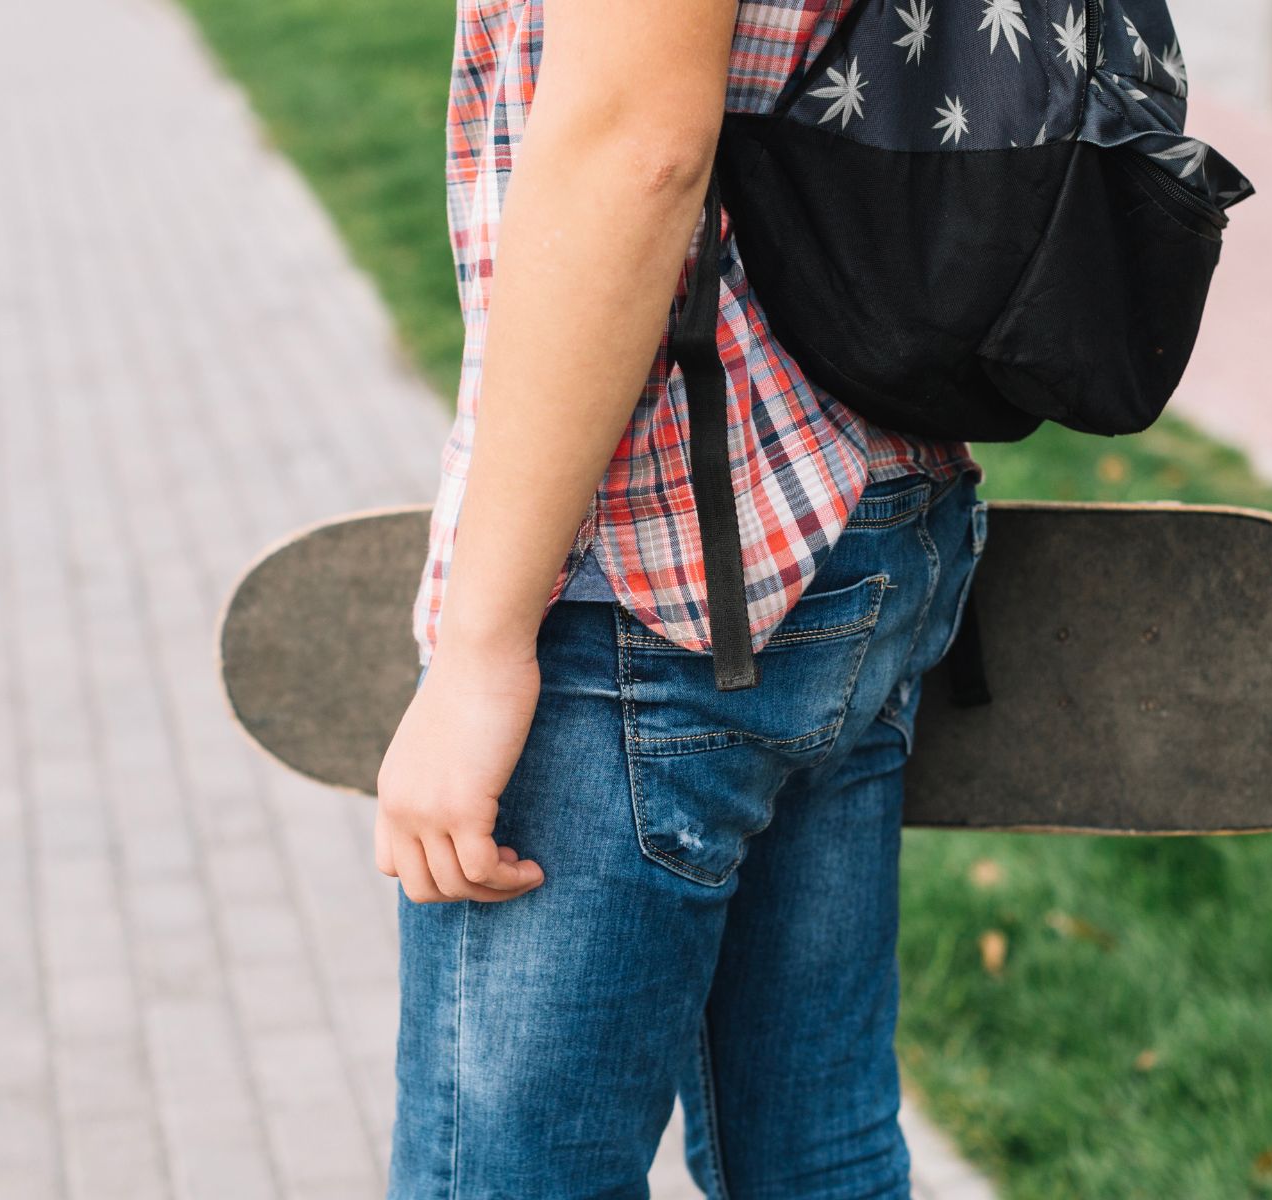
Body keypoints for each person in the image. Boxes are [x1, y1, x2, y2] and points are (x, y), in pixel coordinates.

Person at [373, 0, 988, 1193]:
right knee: (815, 1154)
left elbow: (636, 147)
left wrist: (483, 646)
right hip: (871, 502)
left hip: (659, 560)